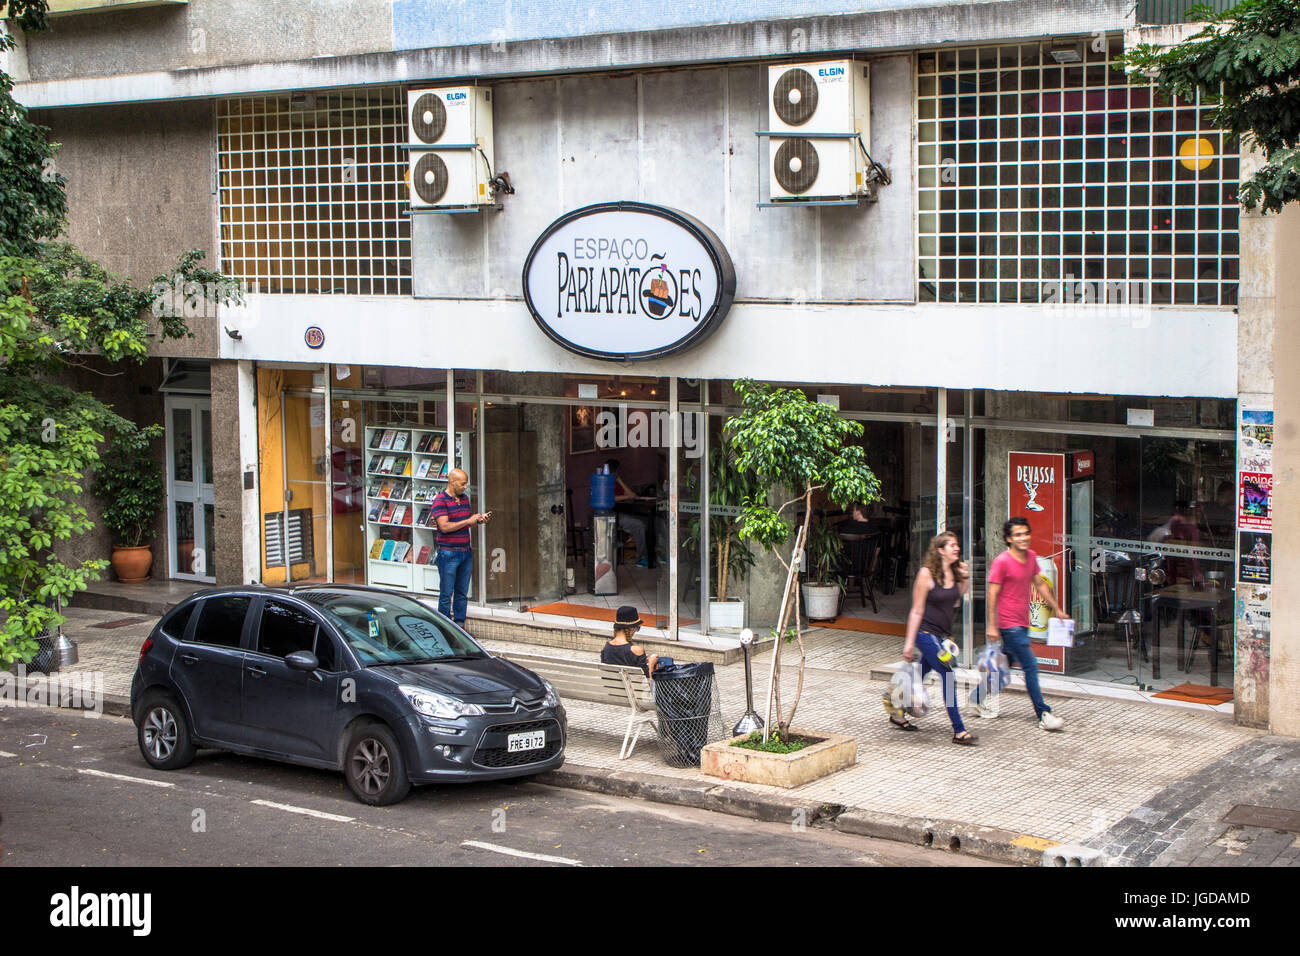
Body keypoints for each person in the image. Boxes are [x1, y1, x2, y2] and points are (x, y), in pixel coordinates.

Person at [985, 517, 1069, 731]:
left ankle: (980, 698)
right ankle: (1043, 713)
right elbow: (992, 593)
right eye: (1018, 535)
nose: (1023, 538)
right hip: (1008, 623)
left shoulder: (1031, 557)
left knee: (1004, 666)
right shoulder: (1002, 562)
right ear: (1009, 539)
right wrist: (992, 625)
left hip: (1023, 621)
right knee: (1031, 665)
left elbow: (1039, 584)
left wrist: (1056, 609)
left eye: (1025, 533)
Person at [897, 531, 976, 745]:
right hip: (925, 634)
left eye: (957, 544)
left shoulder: (954, 572)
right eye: (951, 545)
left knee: (922, 672)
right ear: (940, 550)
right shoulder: (926, 574)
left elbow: (957, 599)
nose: (956, 548)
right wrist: (909, 644)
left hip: (942, 635)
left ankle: (897, 712)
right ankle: (959, 730)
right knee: (947, 674)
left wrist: (966, 576)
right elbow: (916, 610)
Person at [432, 467, 489, 624]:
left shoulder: (464, 499)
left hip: (465, 552)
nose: (465, 487)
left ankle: (460, 624)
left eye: (466, 484)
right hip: (448, 553)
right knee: (446, 593)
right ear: (452, 482)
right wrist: (468, 521)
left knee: (462, 592)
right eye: (463, 484)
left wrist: (477, 520)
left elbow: (463, 524)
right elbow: (444, 527)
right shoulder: (440, 501)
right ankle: (445, 626)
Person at [606, 458, 651, 568]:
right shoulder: (604, 482)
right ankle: (642, 558)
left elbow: (633, 495)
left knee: (647, 521)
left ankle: (651, 554)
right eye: (617, 471)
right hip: (611, 516)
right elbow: (610, 498)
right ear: (614, 471)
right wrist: (627, 496)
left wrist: (620, 480)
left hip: (622, 513)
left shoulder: (616, 482)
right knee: (638, 525)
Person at [600, 605, 661, 678]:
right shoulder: (637, 650)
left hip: (609, 688)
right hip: (632, 689)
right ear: (631, 628)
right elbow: (647, 681)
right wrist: (651, 663)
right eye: (637, 628)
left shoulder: (605, 648)